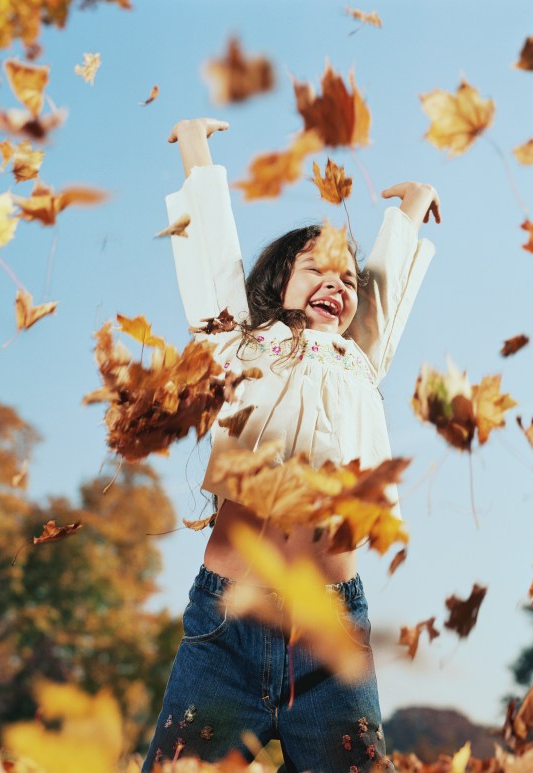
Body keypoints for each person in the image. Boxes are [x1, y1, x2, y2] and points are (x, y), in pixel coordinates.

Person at [142, 117, 440, 772]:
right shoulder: (239, 344)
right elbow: (211, 259)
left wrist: (410, 208)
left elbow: (386, 291)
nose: (335, 281)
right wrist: (196, 147)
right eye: (315, 269)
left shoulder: (360, 359)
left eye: (346, 279)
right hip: (227, 626)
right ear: (280, 282)